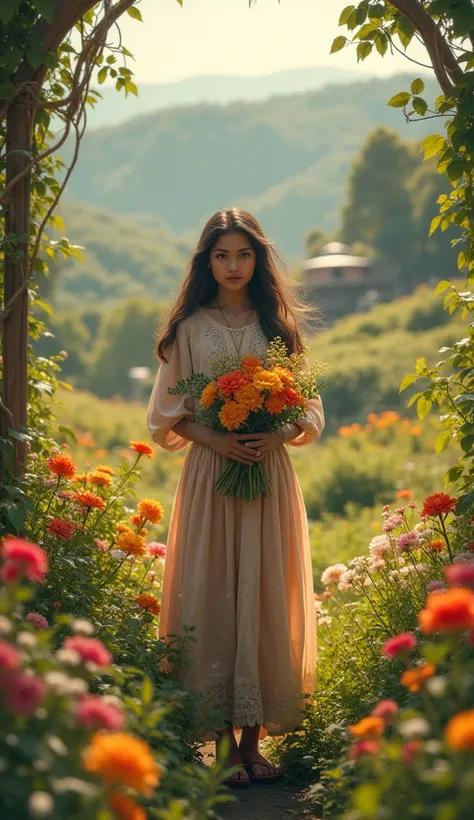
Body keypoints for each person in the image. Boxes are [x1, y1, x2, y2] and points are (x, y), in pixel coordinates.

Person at [146, 208, 325, 788]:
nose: (232, 265)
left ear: (258, 258)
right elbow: (164, 417)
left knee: (262, 592)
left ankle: (254, 744)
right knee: (215, 591)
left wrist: (276, 433)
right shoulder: (190, 328)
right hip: (211, 476)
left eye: (243, 254)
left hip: (269, 477)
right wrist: (218, 440)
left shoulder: (279, 328)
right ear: (206, 261)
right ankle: (221, 746)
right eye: (221, 255)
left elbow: (311, 412)